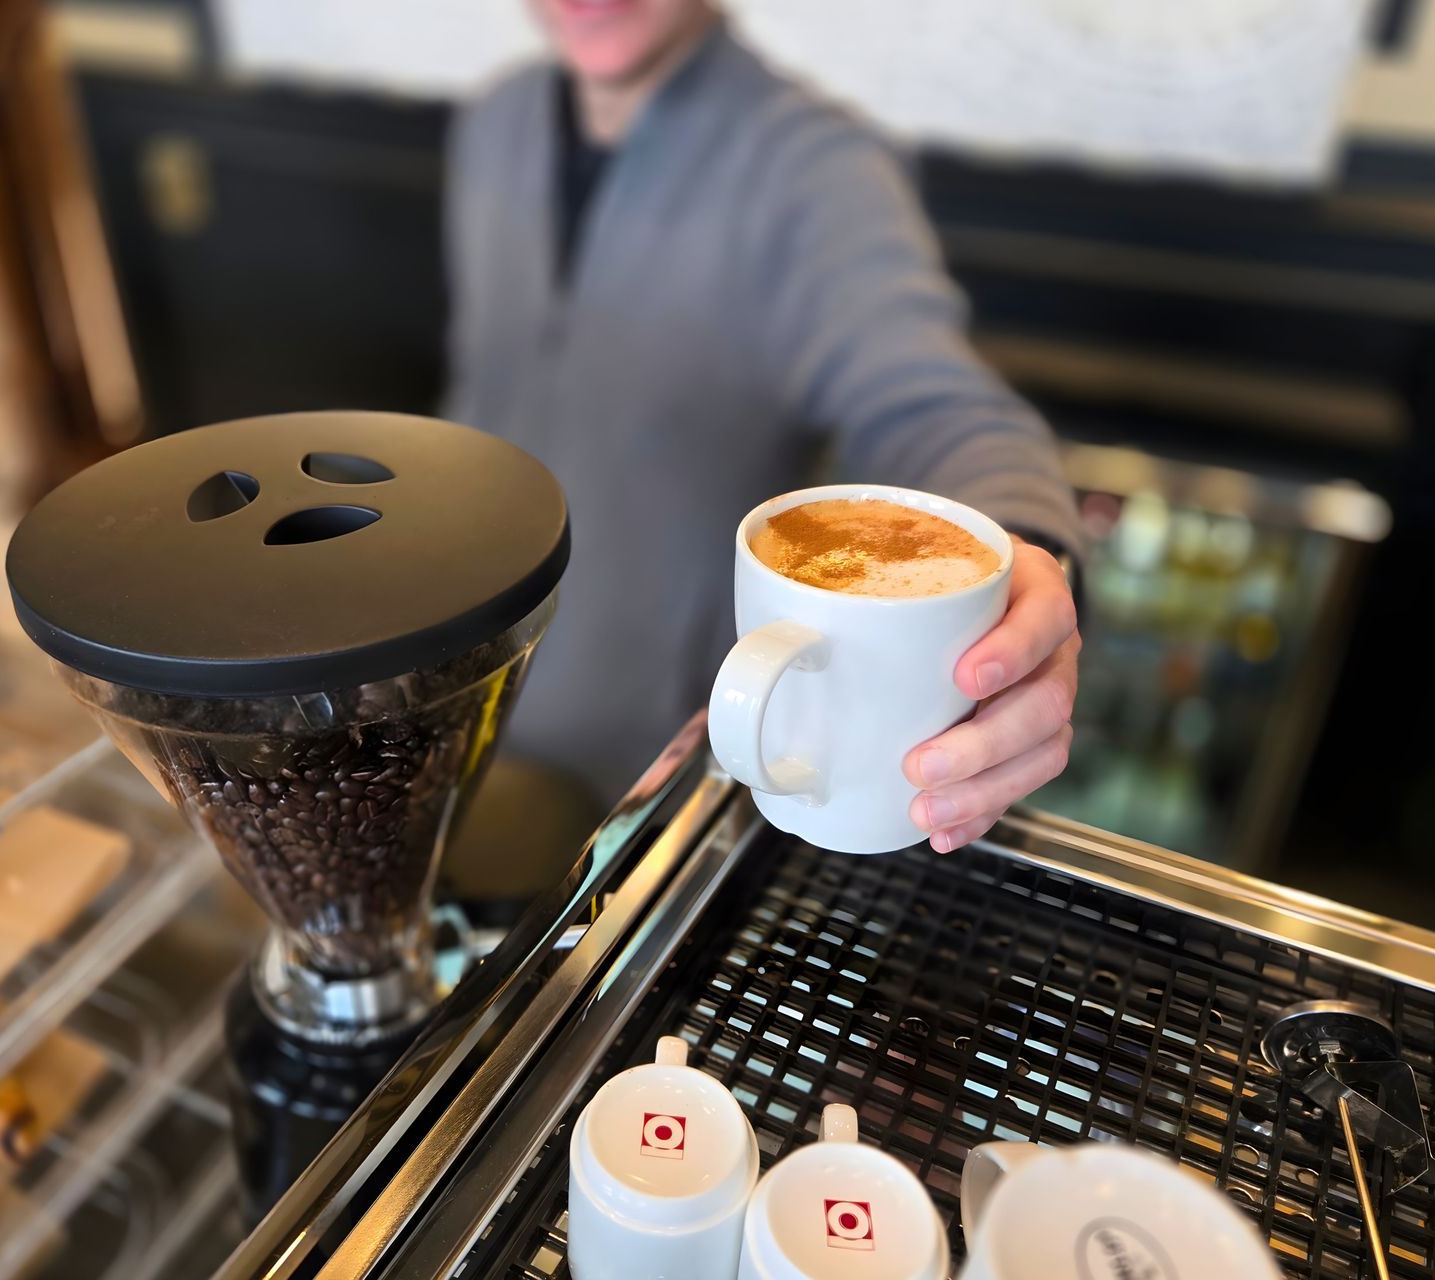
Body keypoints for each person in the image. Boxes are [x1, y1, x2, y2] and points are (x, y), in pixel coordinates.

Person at [444, 0, 1082, 854]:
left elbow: (935, 407)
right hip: (451, 722)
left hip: (665, 789)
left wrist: (1025, 567)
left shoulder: (819, 169)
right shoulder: (496, 123)